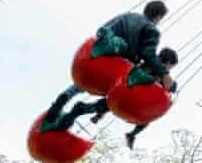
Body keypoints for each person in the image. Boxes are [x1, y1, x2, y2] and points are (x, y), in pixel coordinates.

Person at [39, 48, 179, 143]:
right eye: (171, 66)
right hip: (130, 99)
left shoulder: (146, 65)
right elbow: (164, 92)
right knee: (146, 116)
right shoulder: (160, 75)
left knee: (105, 106)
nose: (170, 69)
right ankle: (131, 134)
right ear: (169, 63)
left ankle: (79, 110)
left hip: (121, 95)